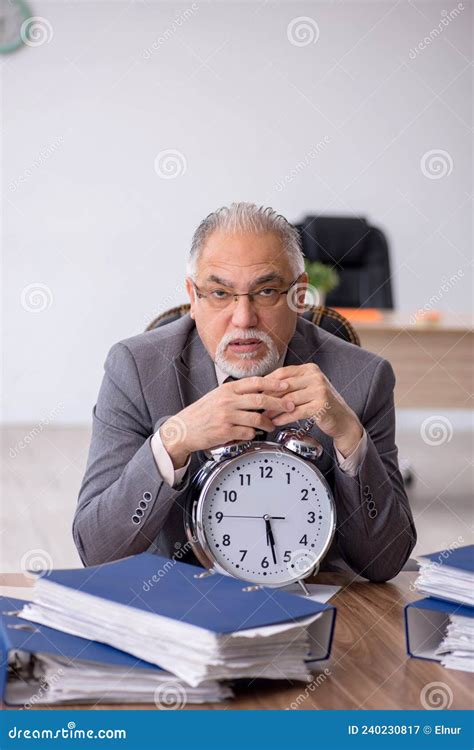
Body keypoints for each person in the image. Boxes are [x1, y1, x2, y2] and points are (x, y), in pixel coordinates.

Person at [73, 202, 416, 581]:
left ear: (299, 295)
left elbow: (385, 562)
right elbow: (97, 551)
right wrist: (173, 441)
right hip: (177, 602)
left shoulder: (364, 378)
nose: (243, 319)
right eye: (220, 294)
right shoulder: (136, 369)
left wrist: (351, 438)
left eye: (266, 291)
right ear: (193, 296)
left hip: (311, 598)